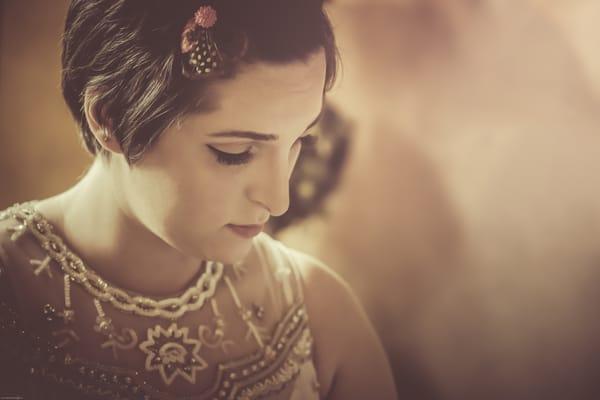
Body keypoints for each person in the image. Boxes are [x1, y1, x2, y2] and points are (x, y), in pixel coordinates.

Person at [0, 1, 397, 399]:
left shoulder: (320, 316)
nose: (279, 201)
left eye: (299, 142)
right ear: (109, 117)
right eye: (234, 152)